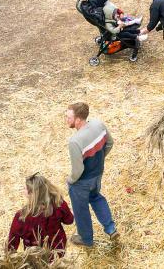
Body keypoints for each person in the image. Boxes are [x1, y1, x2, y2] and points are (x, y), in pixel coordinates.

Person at [64, 103, 117, 248]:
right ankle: (111, 228)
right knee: (96, 197)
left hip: (82, 182)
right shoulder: (98, 125)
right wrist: (99, 160)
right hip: (97, 173)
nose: (66, 120)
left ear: (78, 120)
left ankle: (86, 239)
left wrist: (70, 180)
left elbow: (78, 170)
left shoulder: (75, 141)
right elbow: (110, 143)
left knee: (81, 210)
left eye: (69, 117)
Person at [8, 174, 75, 253]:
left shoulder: (22, 216)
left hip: (35, 255)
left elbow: (12, 240)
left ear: (31, 194)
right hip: (57, 248)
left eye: (25, 188)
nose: (23, 190)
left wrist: (11, 255)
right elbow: (69, 220)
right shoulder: (59, 204)